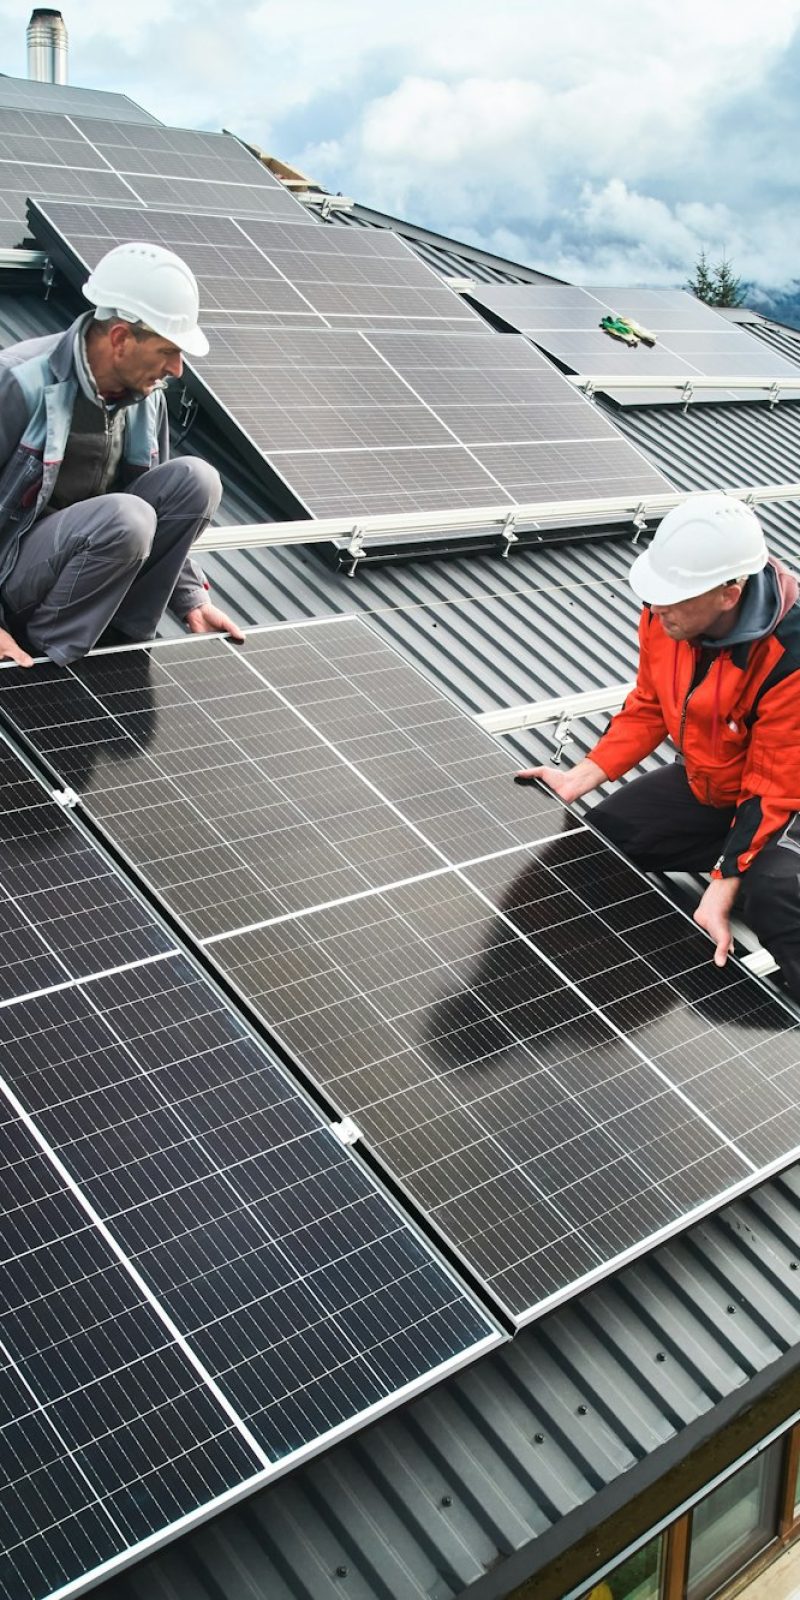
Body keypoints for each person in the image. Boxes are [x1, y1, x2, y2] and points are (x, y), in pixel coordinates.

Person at [515, 493, 800, 999]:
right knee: (593, 844)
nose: (656, 607)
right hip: (710, 789)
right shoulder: (667, 616)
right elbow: (650, 703)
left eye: (673, 597)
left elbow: (773, 787)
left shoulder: (789, 656)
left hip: (783, 816)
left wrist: (724, 884)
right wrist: (583, 774)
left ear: (728, 595)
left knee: (773, 893)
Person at [0, 240, 243, 668]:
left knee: (197, 480)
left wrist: (189, 597)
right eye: (168, 351)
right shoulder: (19, 383)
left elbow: (167, 509)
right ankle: (49, 657)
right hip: (16, 573)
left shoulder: (148, 398)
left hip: (95, 557)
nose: (177, 369)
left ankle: (124, 636)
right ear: (120, 339)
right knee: (127, 517)